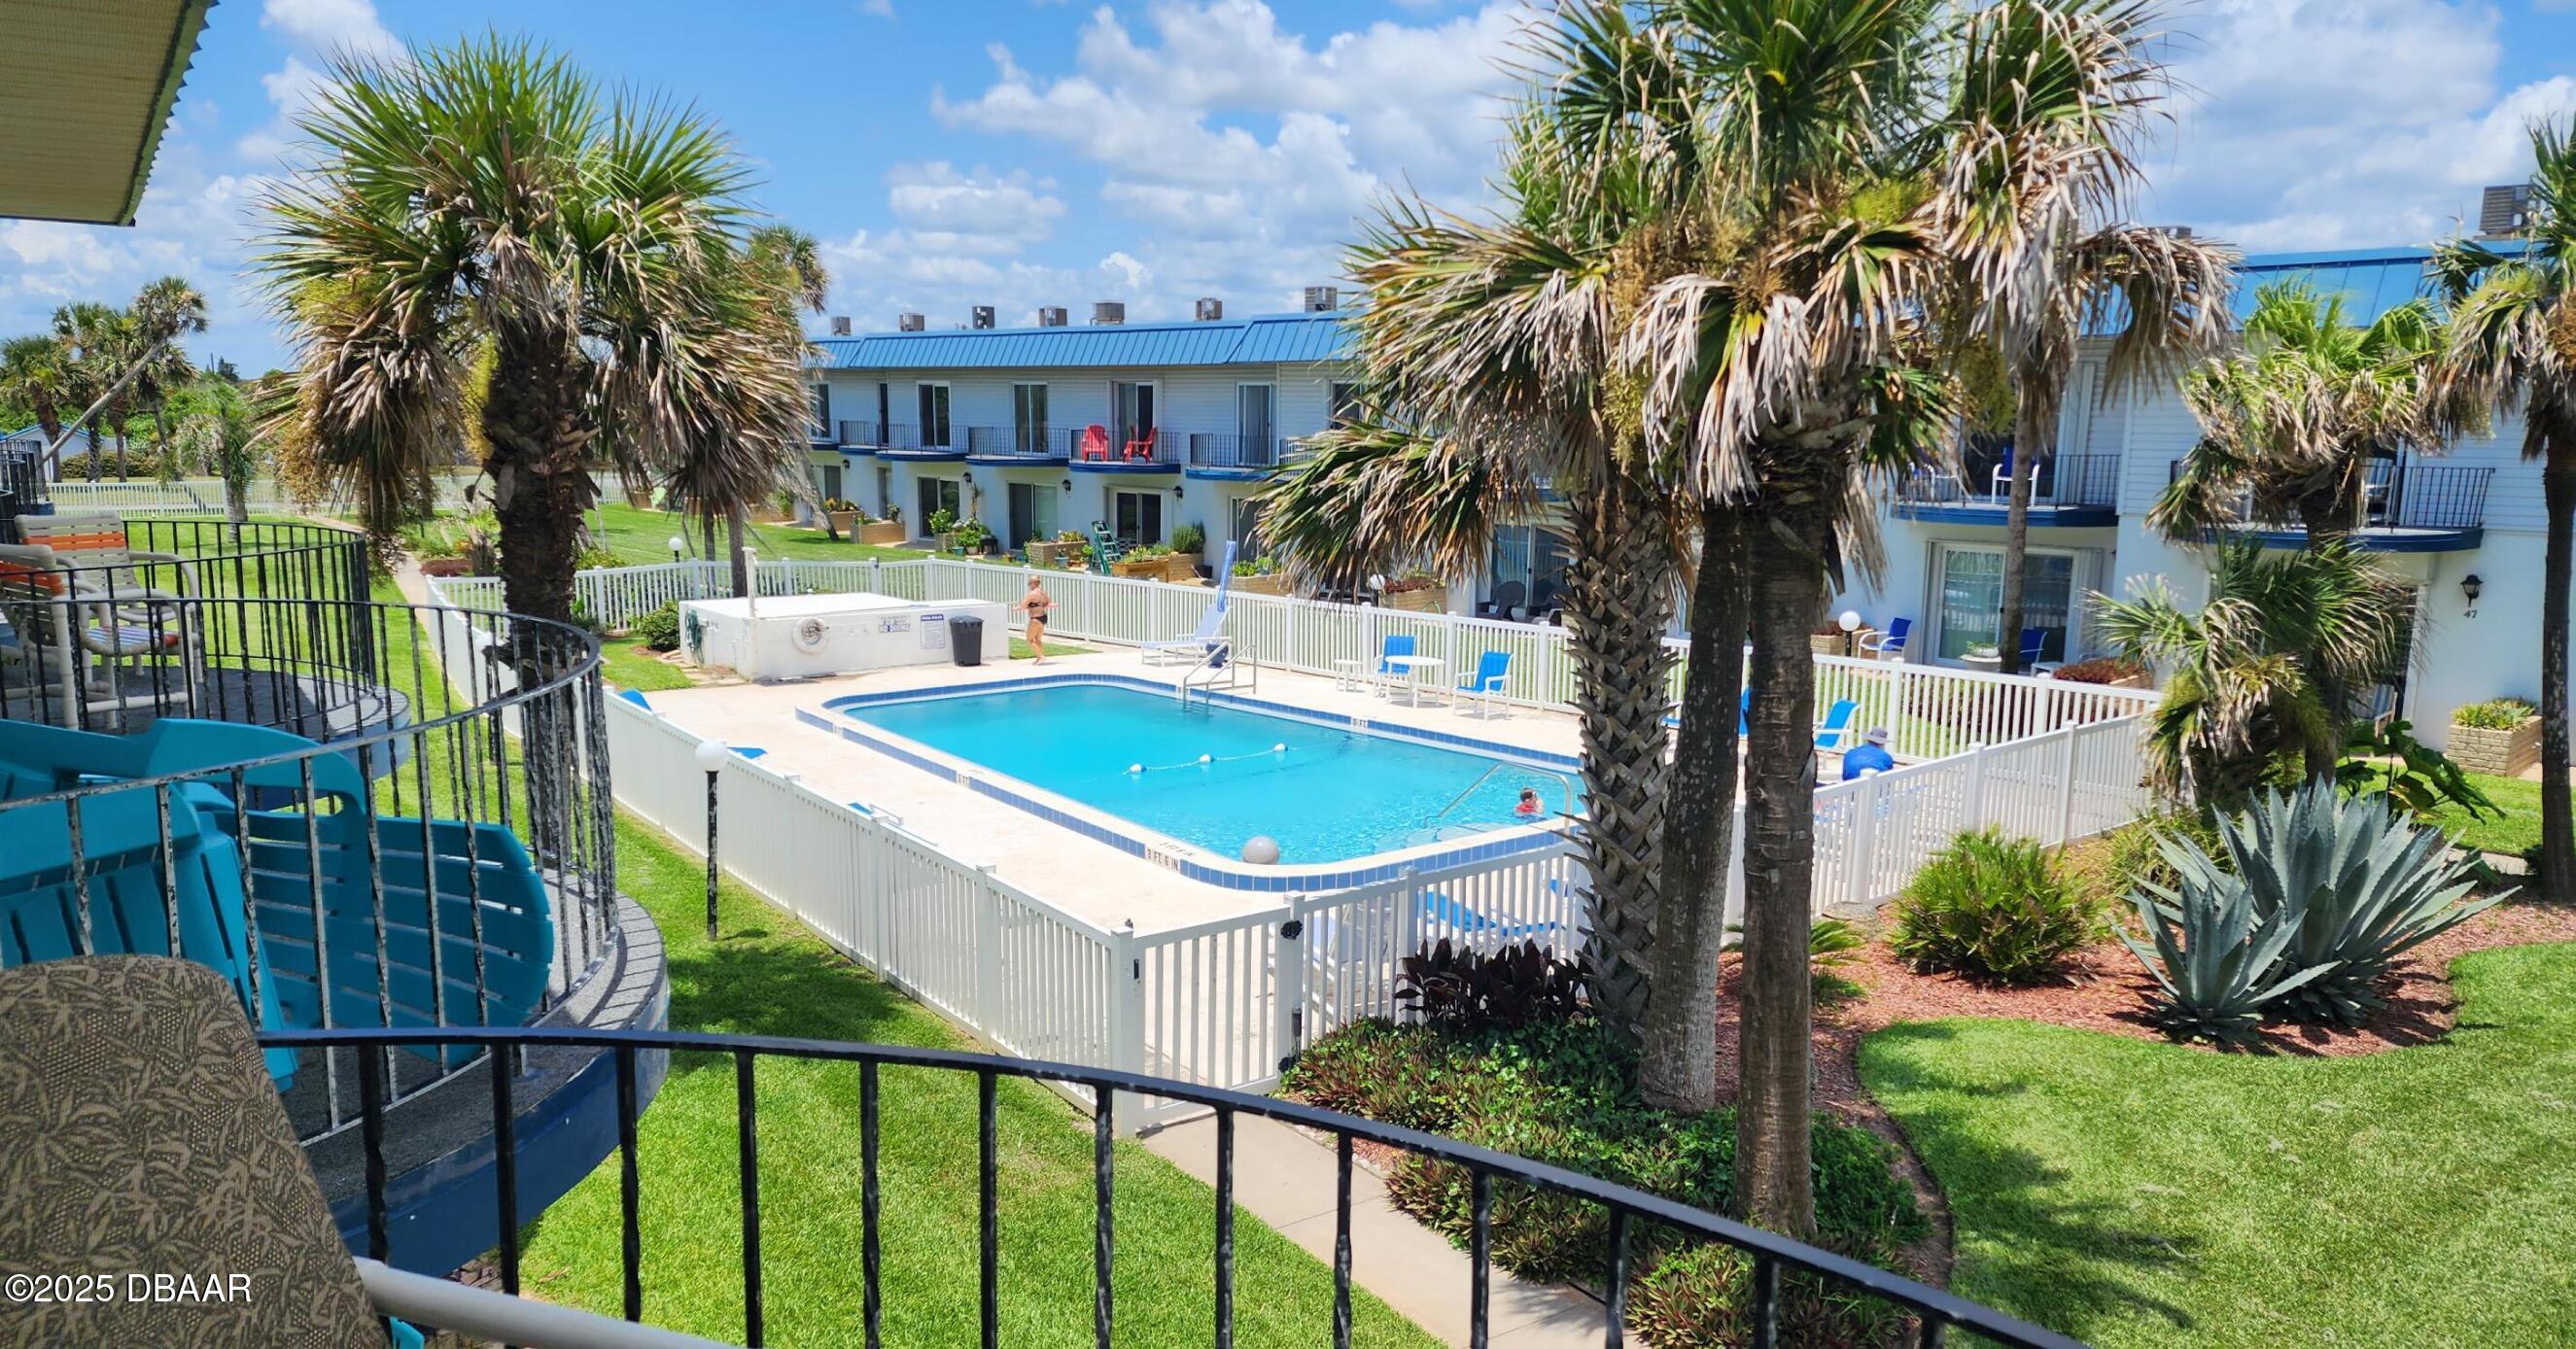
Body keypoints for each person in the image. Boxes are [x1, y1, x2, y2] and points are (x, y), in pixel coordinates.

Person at [1021, 573, 1052, 664]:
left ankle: (1041, 657)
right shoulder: (1043, 593)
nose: (1029, 586)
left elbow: (1023, 605)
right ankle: (1039, 658)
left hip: (1036, 619)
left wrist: (1029, 606)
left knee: (1029, 640)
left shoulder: (1032, 594)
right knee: (1037, 639)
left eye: (1029, 583)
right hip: (1043, 617)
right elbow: (1047, 603)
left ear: (1034, 583)